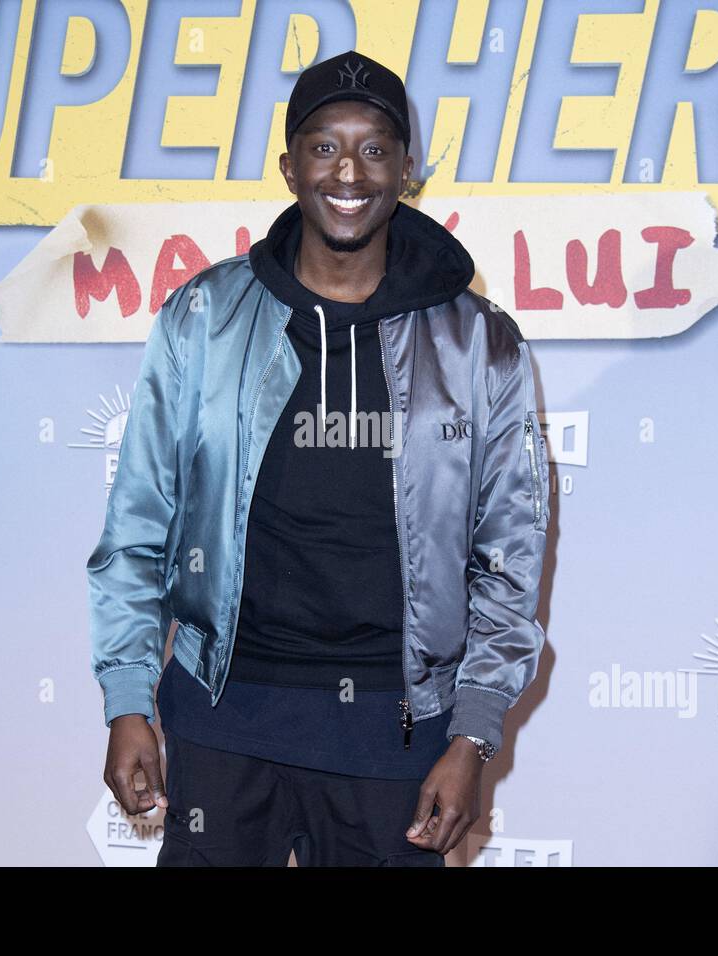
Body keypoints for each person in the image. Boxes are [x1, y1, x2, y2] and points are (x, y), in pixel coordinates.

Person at [87, 49, 550, 867]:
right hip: (224, 716)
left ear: (407, 169)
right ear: (290, 164)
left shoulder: (479, 344)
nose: (349, 170)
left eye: (374, 148)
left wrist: (473, 736)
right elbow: (137, 524)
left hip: (395, 732)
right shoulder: (202, 317)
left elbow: (508, 560)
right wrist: (129, 699)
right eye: (325, 145)